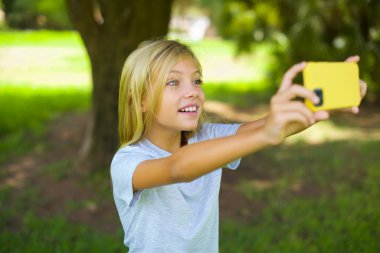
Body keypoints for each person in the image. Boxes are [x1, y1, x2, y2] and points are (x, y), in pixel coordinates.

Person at [111, 39, 367, 252]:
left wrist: (329, 101)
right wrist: (267, 133)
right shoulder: (128, 162)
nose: (193, 91)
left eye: (197, 81)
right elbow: (178, 167)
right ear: (140, 100)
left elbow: (269, 126)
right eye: (174, 82)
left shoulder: (206, 137)